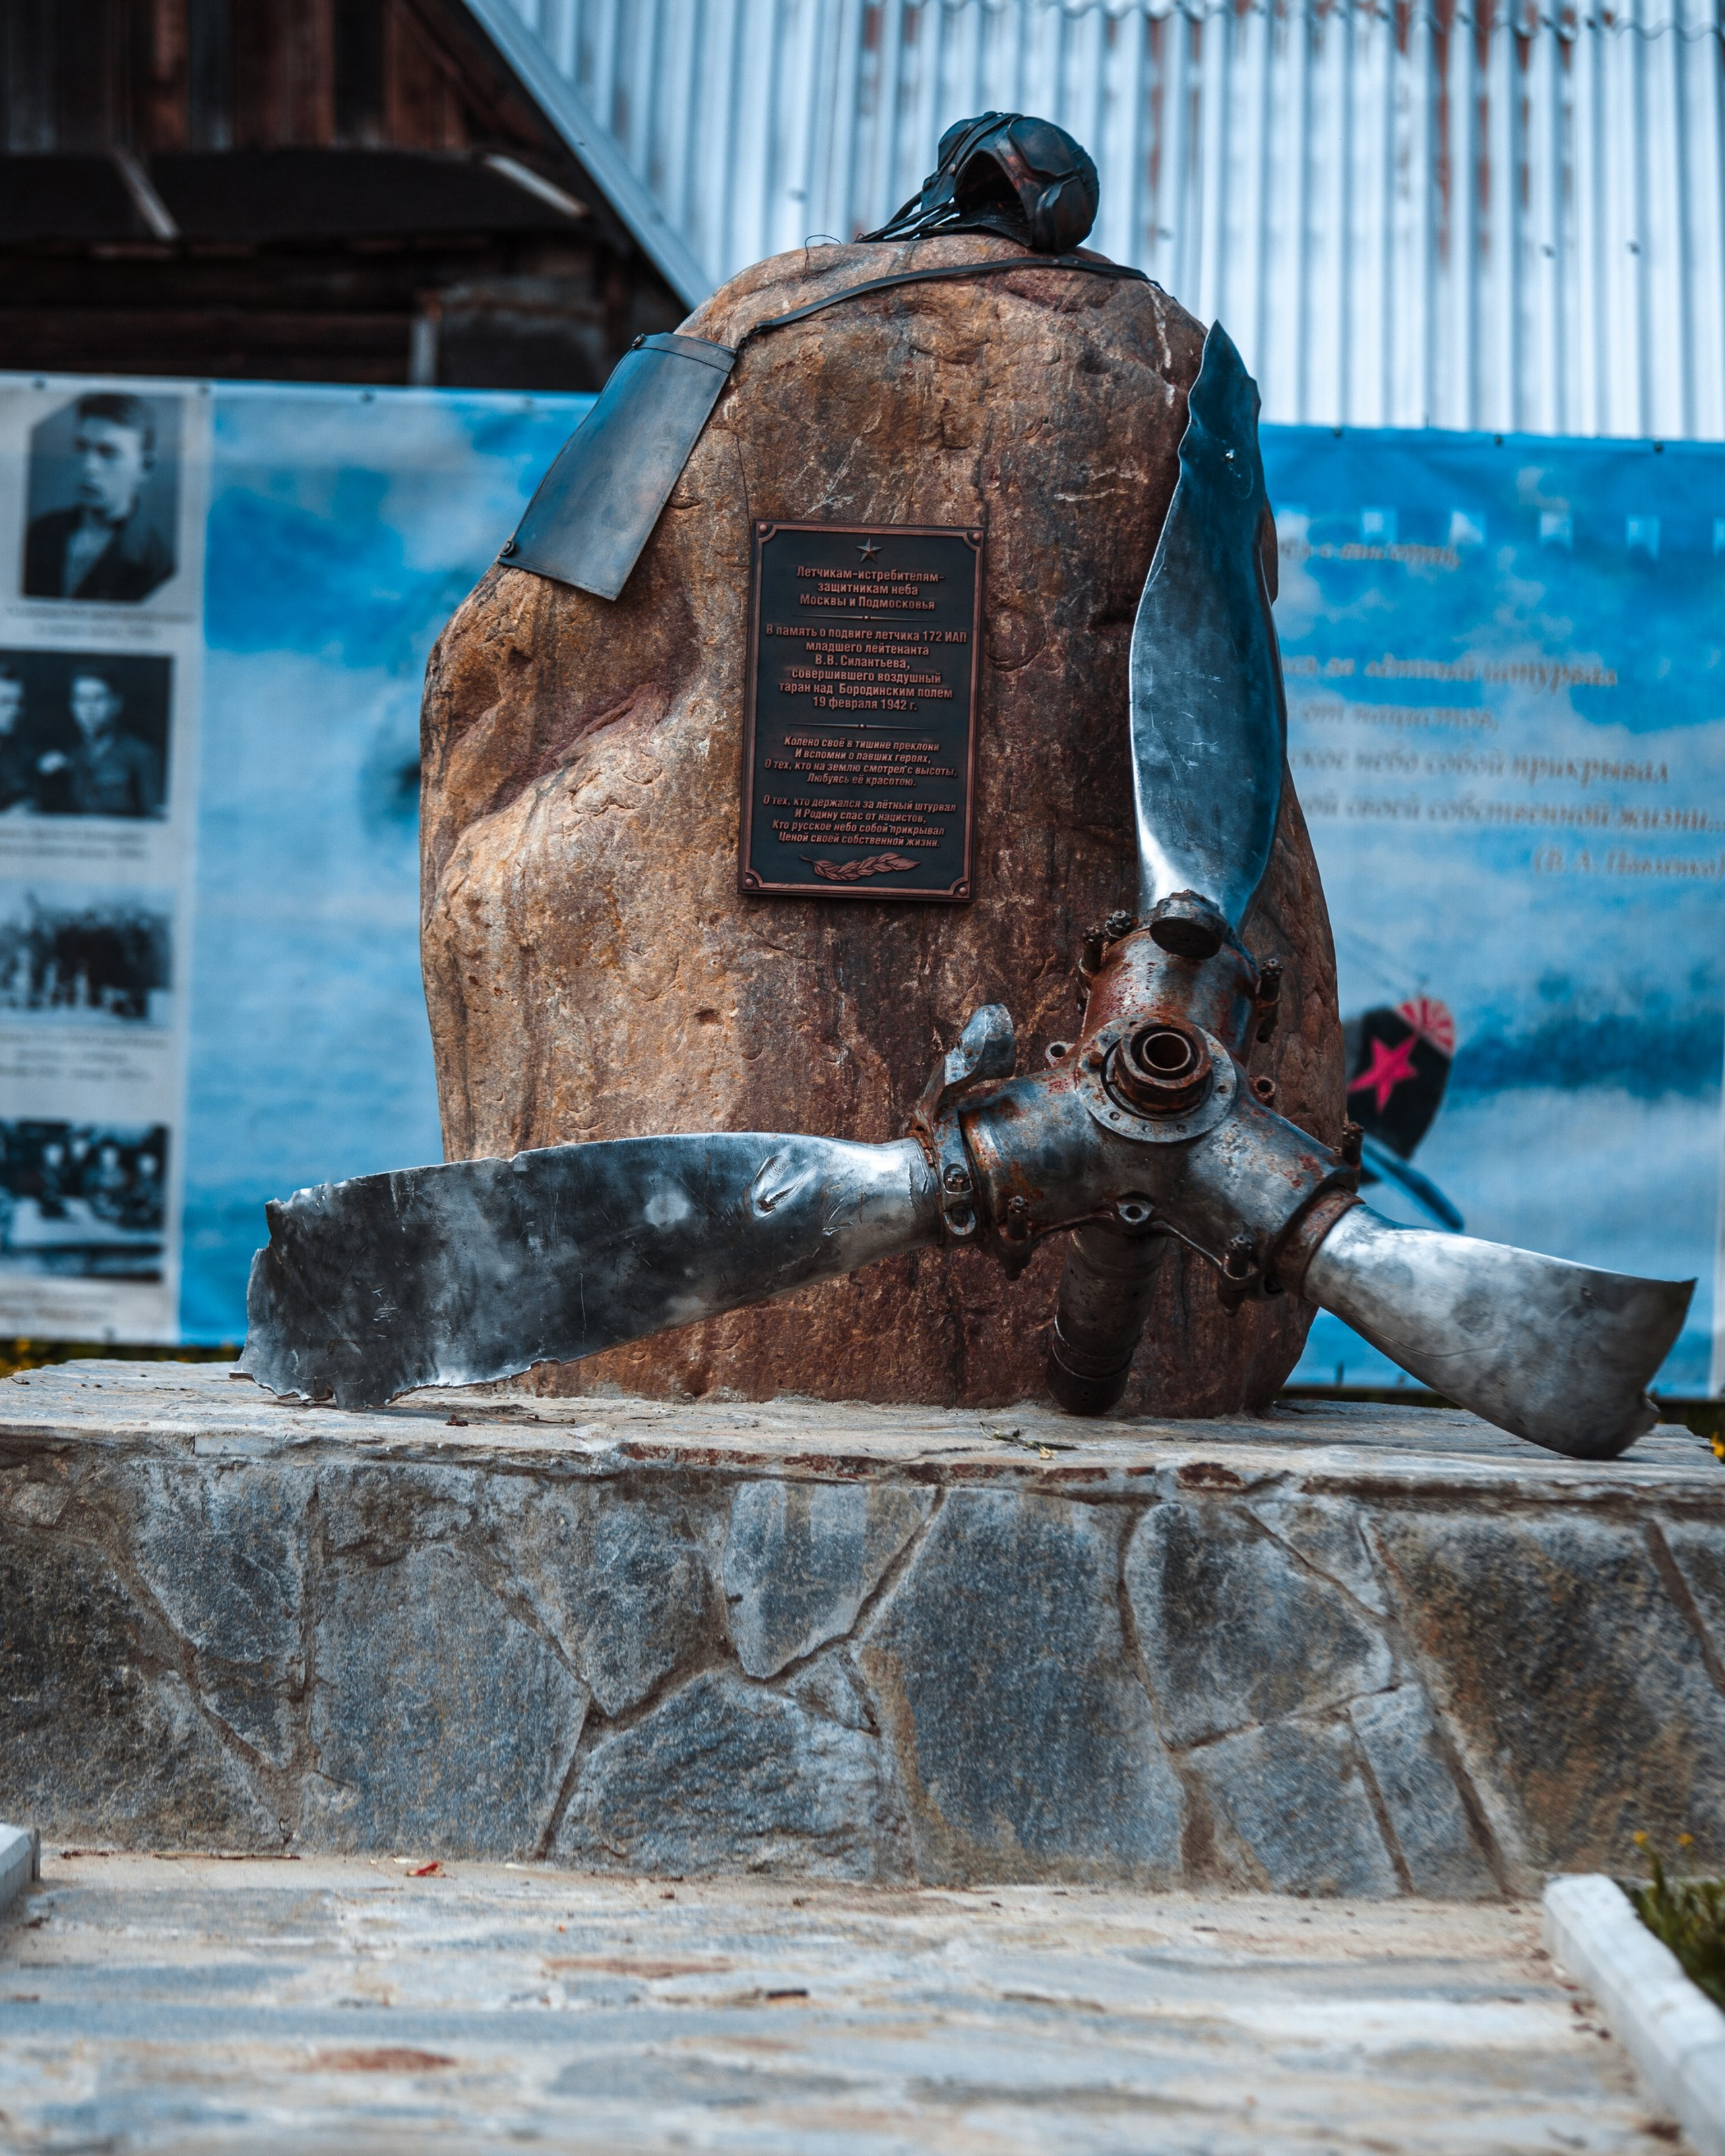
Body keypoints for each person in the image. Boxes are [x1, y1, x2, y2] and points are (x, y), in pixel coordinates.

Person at [23, 393, 174, 604]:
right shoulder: (40, 532)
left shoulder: (159, 564)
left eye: (108, 452)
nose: (88, 467)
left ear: (144, 467)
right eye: (82, 447)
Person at [36, 670, 164, 819]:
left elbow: (155, 819)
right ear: (72, 706)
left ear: (116, 704)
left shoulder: (142, 754)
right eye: (81, 700)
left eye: (98, 699)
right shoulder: (68, 757)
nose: (89, 708)